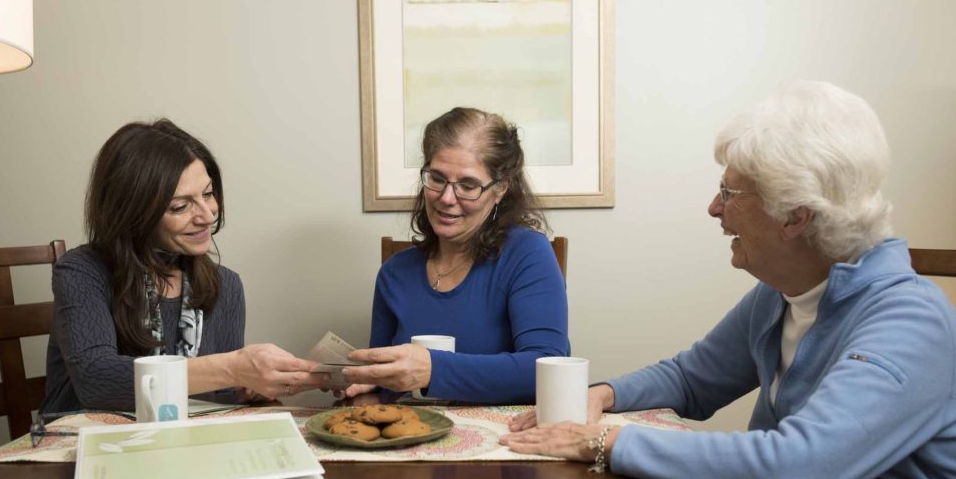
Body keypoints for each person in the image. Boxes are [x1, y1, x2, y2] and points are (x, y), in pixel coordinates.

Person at [501, 81, 956, 479]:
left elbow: (797, 467)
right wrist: (603, 396)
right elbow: (691, 379)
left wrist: (606, 442)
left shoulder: (910, 322)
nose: (714, 207)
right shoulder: (781, 295)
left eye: (730, 193)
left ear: (794, 215)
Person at [42, 119, 322, 413]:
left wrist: (246, 387)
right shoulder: (81, 271)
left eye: (209, 194)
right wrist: (234, 368)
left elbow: (216, 398)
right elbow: (97, 381)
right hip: (81, 445)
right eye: (180, 206)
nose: (207, 216)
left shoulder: (225, 284)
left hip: (181, 445)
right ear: (132, 211)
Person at [344, 107, 569, 403]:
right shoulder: (394, 272)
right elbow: (386, 380)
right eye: (436, 178)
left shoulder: (527, 253)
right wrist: (366, 382)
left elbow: (546, 370)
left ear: (500, 189)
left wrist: (432, 370)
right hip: (410, 441)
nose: (447, 199)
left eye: (468, 185)